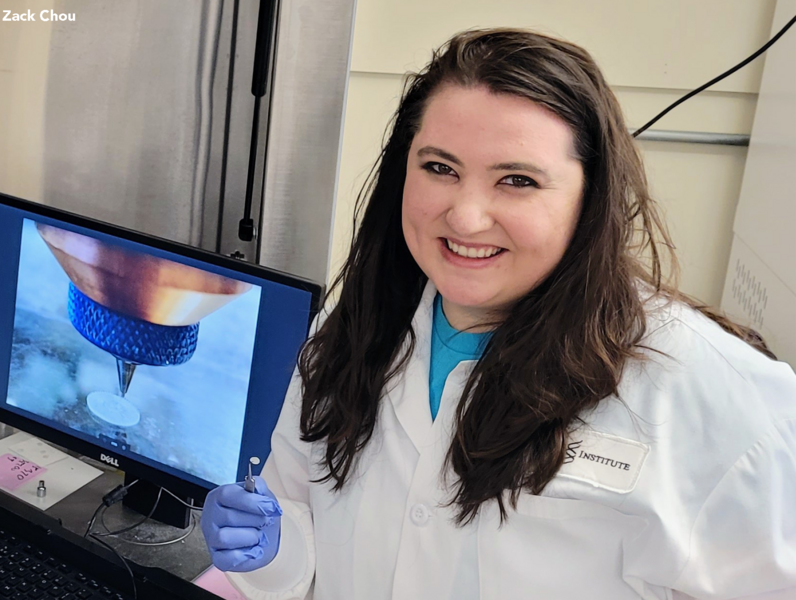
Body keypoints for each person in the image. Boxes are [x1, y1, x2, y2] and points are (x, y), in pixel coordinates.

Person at [200, 28, 796, 599]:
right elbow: (310, 545)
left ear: (591, 198)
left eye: (517, 180)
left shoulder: (711, 394)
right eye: (440, 168)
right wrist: (270, 553)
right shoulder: (354, 329)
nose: (465, 216)